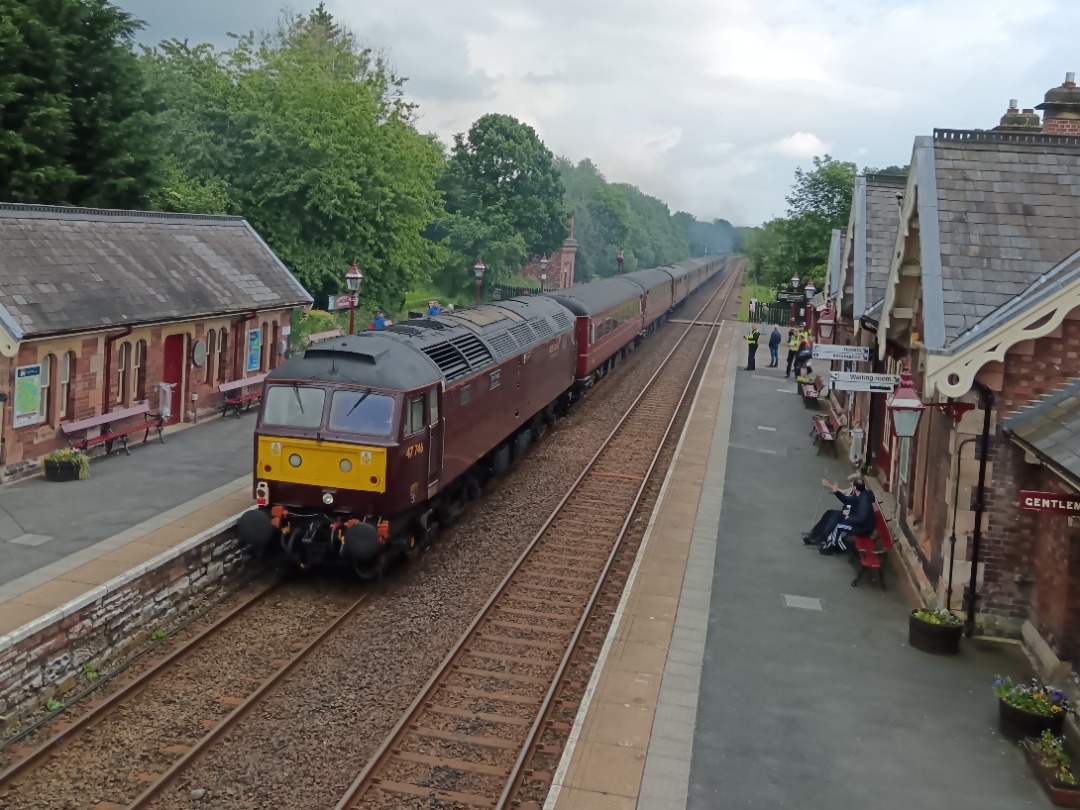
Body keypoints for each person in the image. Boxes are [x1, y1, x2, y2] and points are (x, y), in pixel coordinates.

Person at [819, 476, 876, 555]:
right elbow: (847, 500)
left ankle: (833, 547)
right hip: (858, 522)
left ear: (855, 487)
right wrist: (836, 492)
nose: (851, 486)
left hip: (863, 528)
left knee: (838, 526)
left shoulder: (864, 500)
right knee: (837, 515)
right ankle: (828, 538)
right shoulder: (858, 494)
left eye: (852, 485)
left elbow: (862, 520)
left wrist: (849, 518)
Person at [802, 474, 861, 545]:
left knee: (835, 515)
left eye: (852, 482)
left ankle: (823, 537)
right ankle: (813, 533)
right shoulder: (852, 489)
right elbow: (842, 492)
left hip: (852, 517)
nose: (850, 484)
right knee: (829, 513)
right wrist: (829, 486)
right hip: (846, 513)